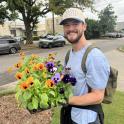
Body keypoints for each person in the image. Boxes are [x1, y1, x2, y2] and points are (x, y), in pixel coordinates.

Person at [60, 8, 110, 124]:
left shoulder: (94, 56)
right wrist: (49, 82)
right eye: (67, 25)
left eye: (75, 23)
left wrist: (65, 99)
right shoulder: (69, 54)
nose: (71, 28)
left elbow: (98, 96)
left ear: (84, 26)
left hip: (87, 119)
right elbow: (66, 75)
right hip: (72, 114)